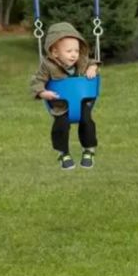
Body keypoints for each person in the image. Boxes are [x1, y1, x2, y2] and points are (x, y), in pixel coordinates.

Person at [29, 22, 99, 170]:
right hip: (61, 105)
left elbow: (92, 61)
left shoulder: (81, 61)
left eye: (76, 50)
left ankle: (89, 150)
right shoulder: (47, 66)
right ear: (55, 52)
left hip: (82, 103)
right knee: (61, 126)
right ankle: (63, 153)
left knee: (87, 121)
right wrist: (42, 92)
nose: (74, 54)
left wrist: (93, 67)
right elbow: (37, 81)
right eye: (69, 51)